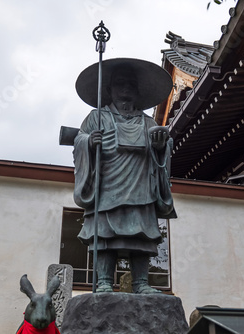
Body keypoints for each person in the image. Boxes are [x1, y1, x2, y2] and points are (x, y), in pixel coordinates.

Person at [73, 58, 176, 293]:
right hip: (108, 184)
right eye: (120, 83)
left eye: (131, 83)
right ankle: (104, 282)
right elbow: (78, 140)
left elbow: (163, 152)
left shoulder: (148, 121)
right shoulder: (97, 117)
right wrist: (89, 142)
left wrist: (161, 147)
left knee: (142, 236)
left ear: (138, 90)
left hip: (141, 185)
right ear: (109, 89)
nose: (126, 87)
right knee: (105, 235)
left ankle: (141, 282)